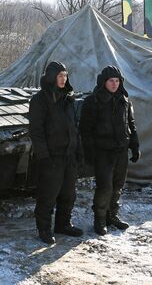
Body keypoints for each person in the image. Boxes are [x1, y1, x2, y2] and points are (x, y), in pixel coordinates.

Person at [79, 66, 140, 236]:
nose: (114, 84)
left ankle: (112, 215)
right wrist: (89, 152)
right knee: (105, 186)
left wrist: (135, 145)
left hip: (121, 150)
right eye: (111, 81)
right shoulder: (93, 101)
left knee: (118, 185)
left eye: (117, 80)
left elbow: (131, 124)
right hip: (102, 151)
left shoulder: (125, 100)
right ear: (103, 82)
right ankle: (99, 219)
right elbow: (86, 129)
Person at [29, 61, 83, 245]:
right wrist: (44, 156)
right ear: (52, 77)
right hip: (52, 156)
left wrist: (77, 151)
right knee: (48, 195)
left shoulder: (67, 98)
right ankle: (44, 228)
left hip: (68, 155)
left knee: (68, 193)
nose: (63, 79)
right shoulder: (40, 100)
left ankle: (63, 224)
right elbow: (36, 131)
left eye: (65, 75)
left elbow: (74, 127)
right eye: (60, 75)